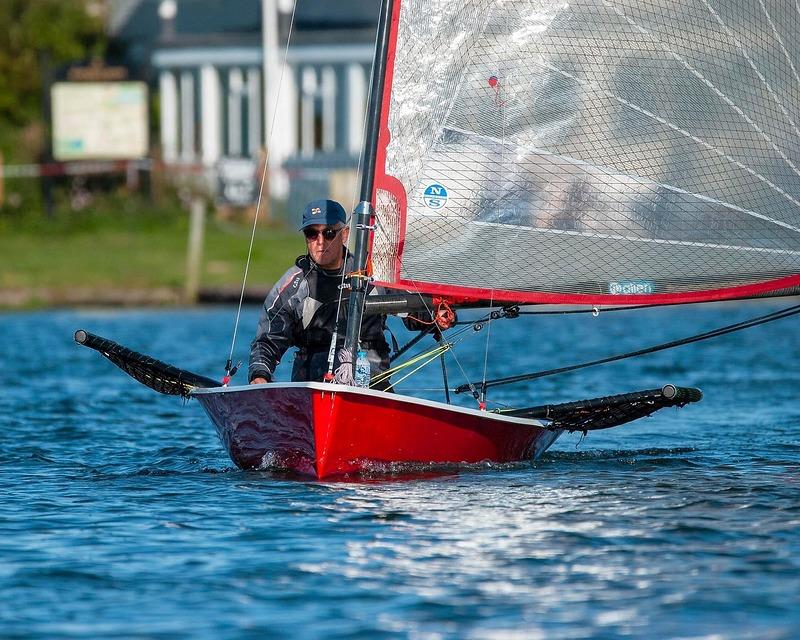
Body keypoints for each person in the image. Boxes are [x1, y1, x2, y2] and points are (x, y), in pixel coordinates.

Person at [248, 199, 392, 387]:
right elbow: (267, 341)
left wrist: (437, 312)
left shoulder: (374, 275)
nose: (320, 241)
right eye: (312, 233)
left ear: (345, 234)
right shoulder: (293, 286)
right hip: (312, 388)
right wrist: (259, 375)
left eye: (329, 233)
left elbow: (416, 312)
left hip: (371, 385)